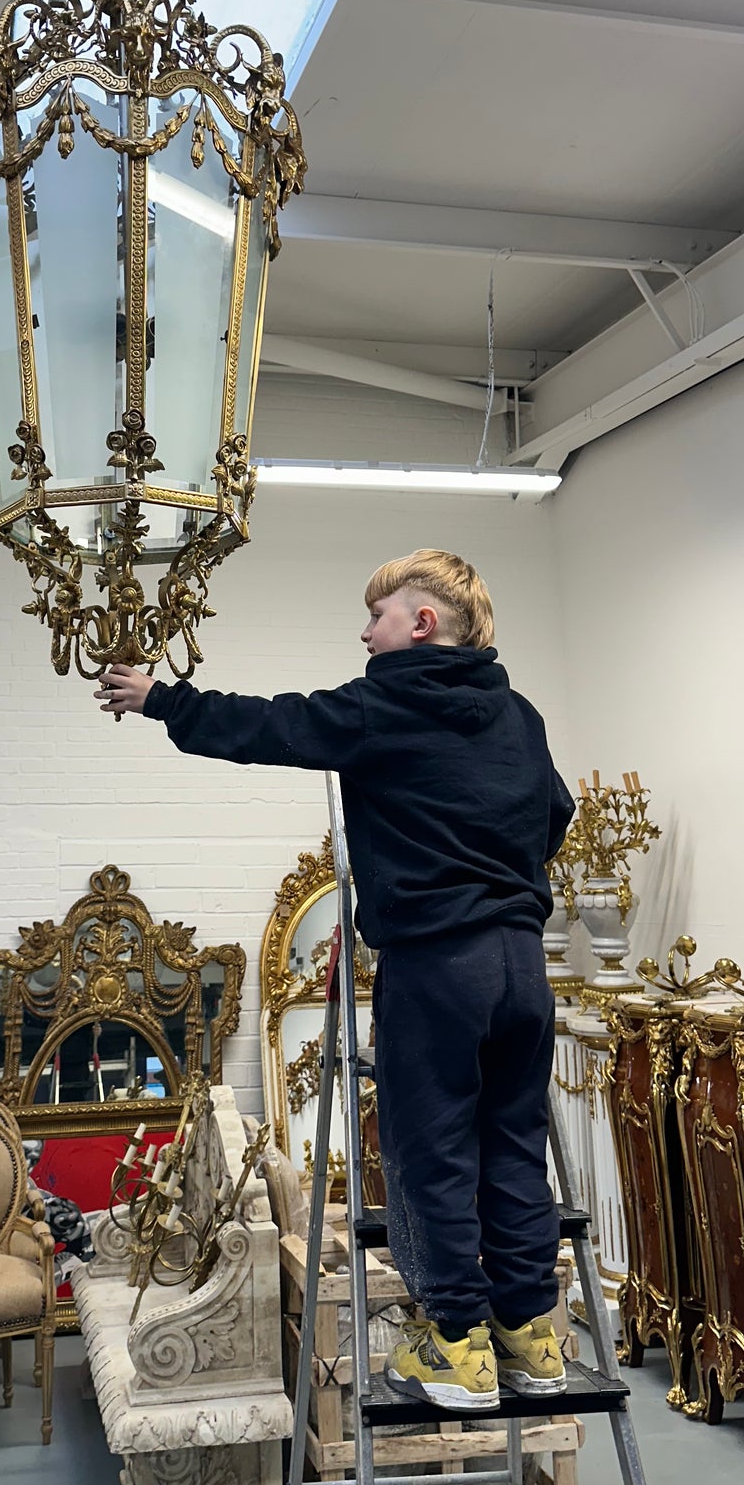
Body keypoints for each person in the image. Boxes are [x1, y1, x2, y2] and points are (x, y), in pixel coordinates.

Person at [97, 548, 575, 1413]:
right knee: (511, 1143)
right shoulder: (520, 714)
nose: (365, 631)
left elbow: (269, 725)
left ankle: (457, 1345)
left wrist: (160, 697)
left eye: (378, 615)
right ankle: (532, 1333)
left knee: (428, 1148)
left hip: (438, 963)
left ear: (421, 624)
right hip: (520, 963)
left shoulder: (386, 702)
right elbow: (557, 812)